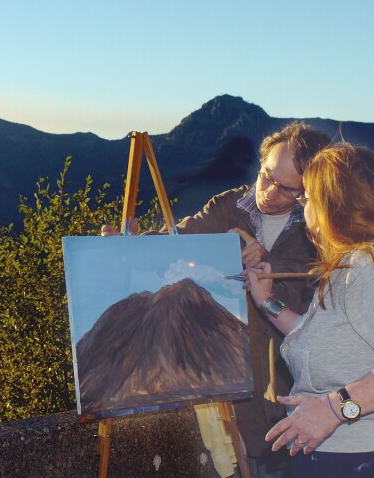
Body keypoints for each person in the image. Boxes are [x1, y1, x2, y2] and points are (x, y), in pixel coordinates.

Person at [102, 122, 332, 477]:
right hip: (230, 387)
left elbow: (322, 302)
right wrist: (131, 247)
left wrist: (268, 274)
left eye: (287, 189)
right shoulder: (228, 205)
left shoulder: (324, 227)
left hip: (297, 392)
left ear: (309, 191)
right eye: (266, 176)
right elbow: (179, 242)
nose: (269, 193)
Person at [245, 143, 374, 478]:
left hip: (356, 459)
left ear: (333, 205)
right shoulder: (348, 266)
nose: (305, 209)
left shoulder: (365, 267)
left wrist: (333, 408)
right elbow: (330, 342)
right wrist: (267, 302)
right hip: (334, 456)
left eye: (308, 199)